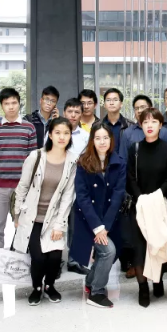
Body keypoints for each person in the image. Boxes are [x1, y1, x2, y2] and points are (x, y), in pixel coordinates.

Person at [13, 118, 78, 306]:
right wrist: (17, 215)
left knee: (55, 257)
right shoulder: (36, 156)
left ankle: (49, 285)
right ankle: (36, 287)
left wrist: (59, 225)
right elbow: (22, 187)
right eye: (57, 132)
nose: (62, 137)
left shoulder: (72, 160)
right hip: (32, 217)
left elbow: (68, 195)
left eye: (66, 133)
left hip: (54, 217)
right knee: (38, 257)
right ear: (50, 135)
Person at [0, 88, 38, 281]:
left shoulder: (29, 128)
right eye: (7, 103)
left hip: (21, 188)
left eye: (14, 103)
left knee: (22, 227)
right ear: (1, 106)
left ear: (19, 104)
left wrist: (30, 188)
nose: (11, 107)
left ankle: (22, 266)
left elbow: (33, 159)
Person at [126, 107, 167, 307]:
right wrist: (141, 198)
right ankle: (142, 287)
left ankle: (158, 280)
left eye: (154, 121)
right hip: (139, 205)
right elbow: (130, 177)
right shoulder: (135, 149)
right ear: (140, 125)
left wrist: (156, 196)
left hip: (161, 204)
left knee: (159, 244)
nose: (149, 125)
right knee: (140, 248)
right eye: (145, 122)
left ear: (160, 125)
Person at [73, 123, 126, 308]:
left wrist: (105, 227)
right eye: (97, 138)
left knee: (109, 251)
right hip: (87, 219)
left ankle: (90, 281)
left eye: (105, 138)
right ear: (92, 141)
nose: (102, 142)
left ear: (111, 140)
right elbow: (82, 197)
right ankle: (96, 292)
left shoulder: (119, 162)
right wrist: (97, 227)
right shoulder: (83, 162)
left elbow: (118, 196)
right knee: (108, 251)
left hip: (109, 220)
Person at [60, 97, 91, 274]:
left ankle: (74, 261)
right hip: (57, 186)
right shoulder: (55, 132)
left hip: (78, 187)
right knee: (56, 224)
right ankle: (55, 260)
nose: (73, 115)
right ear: (64, 112)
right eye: (70, 111)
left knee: (76, 225)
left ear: (81, 114)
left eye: (76, 112)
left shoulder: (86, 137)